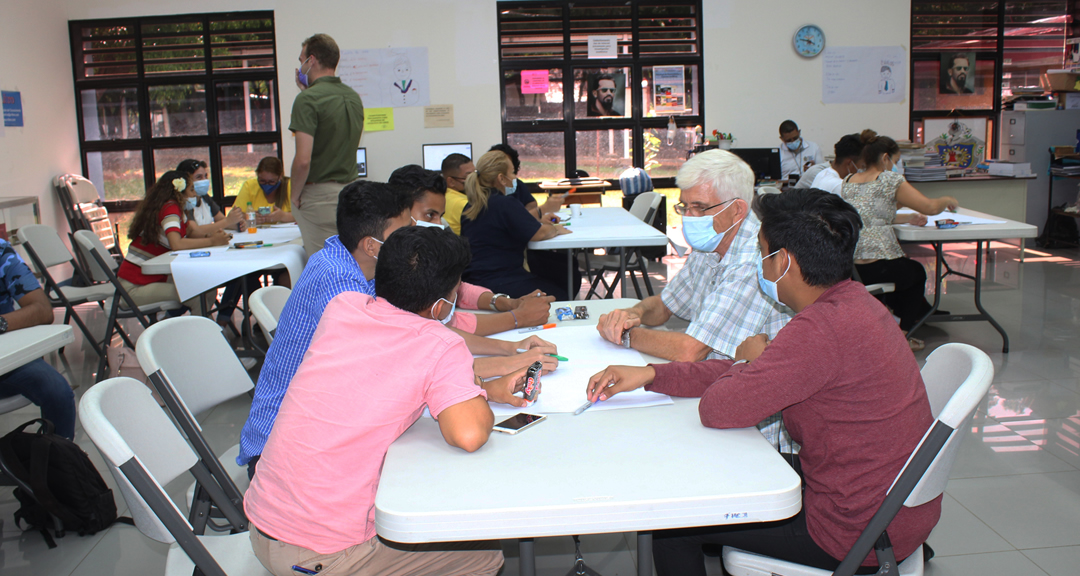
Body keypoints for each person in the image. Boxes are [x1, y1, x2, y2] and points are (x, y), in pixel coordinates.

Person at [585, 188, 941, 576]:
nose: (759, 262)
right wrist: (652, 375)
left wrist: (743, 361)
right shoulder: (850, 304)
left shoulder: (818, 330)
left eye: (762, 252)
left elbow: (719, 408)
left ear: (784, 262)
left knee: (673, 527)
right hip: (887, 505)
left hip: (855, 531)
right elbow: (760, 374)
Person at [237, 181, 555, 477]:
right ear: (372, 245)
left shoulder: (358, 264)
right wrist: (506, 363)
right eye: (404, 230)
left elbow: (422, 339)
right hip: (284, 451)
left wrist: (503, 358)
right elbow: (411, 360)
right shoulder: (344, 292)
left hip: (321, 437)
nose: (412, 237)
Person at [245, 226, 507, 576]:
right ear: (443, 305)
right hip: (323, 552)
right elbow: (469, 434)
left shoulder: (344, 307)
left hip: (264, 520)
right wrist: (476, 388)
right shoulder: (440, 344)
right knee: (484, 555)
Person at [595, 149, 793, 450]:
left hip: (754, 433)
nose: (689, 217)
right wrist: (632, 311)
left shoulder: (755, 260)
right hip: (709, 390)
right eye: (684, 206)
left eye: (699, 207)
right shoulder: (713, 243)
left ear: (737, 209)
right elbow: (664, 306)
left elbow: (692, 350)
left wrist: (625, 335)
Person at [389, 164, 555, 335]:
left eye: (440, 215)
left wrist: (506, 303)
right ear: (400, 212)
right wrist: (517, 318)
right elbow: (441, 329)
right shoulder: (387, 266)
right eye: (430, 215)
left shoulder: (418, 246)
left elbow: (457, 288)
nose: (438, 225)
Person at [841, 130, 959, 351]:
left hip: (851, 266)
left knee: (904, 270)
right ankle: (904, 333)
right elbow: (930, 207)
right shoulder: (889, 179)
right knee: (915, 272)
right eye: (896, 161)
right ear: (885, 158)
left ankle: (889, 323)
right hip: (878, 266)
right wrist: (947, 199)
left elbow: (870, 214)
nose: (896, 166)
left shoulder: (849, 180)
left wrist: (907, 217)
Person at [459, 150, 576, 301]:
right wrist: (555, 229)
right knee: (558, 295)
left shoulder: (472, 205)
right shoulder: (505, 203)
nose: (515, 178)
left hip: (475, 279)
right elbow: (539, 233)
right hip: (501, 279)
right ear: (501, 178)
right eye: (512, 173)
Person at [289, 33, 365, 257]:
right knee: (348, 262)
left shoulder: (307, 100)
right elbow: (332, 130)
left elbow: (303, 160)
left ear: (311, 60)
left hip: (319, 198)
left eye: (301, 59)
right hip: (349, 194)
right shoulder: (352, 96)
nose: (300, 66)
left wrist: (294, 197)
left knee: (324, 268)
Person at [118, 171, 231, 315]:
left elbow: (190, 232)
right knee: (196, 294)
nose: (195, 194)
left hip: (148, 281)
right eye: (191, 189)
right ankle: (203, 334)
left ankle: (200, 329)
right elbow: (176, 244)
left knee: (208, 289)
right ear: (179, 192)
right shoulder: (170, 209)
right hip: (133, 288)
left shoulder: (173, 208)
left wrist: (213, 237)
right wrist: (212, 241)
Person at [0, 238, 76, 439]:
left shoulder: (1, 252)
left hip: (8, 357)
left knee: (57, 391)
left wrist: (1, 323)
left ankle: (61, 464)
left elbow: (42, 310)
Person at [488, 143, 565, 219]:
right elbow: (515, 222)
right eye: (511, 172)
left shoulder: (518, 185)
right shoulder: (493, 199)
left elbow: (530, 205)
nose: (514, 177)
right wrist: (545, 208)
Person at [175, 159, 244, 233]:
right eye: (199, 177)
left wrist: (238, 225)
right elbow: (194, 231)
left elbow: (220, 219)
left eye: (205, 176)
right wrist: (228, 221)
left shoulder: (204, 197)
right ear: (185, 181)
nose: (204, 180)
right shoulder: (187, 202)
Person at [235, 156, 295, 224]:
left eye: (271, 181)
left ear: (280, 176)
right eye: (262, 181)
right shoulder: (249, 186)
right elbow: (234, 215)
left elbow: (305, 215)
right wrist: (249, 217)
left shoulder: (291, 186)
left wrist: (284, 216)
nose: (267, 185)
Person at [440, 153, 474, 235]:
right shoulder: (464, 204)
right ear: (451, 181)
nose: (475, 180)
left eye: (475, 173)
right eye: (469, 177)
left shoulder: (441, 196)